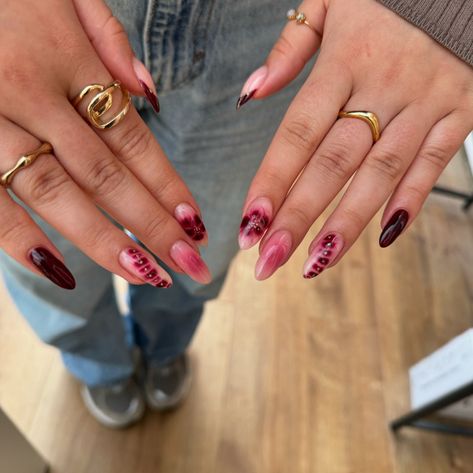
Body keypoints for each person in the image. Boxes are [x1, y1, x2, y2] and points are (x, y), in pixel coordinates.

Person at [0, 0, 471, 428]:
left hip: (259, 31)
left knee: (202, 244)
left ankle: (165, 346)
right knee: (53, 256)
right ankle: (100, 365)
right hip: (29, 23)